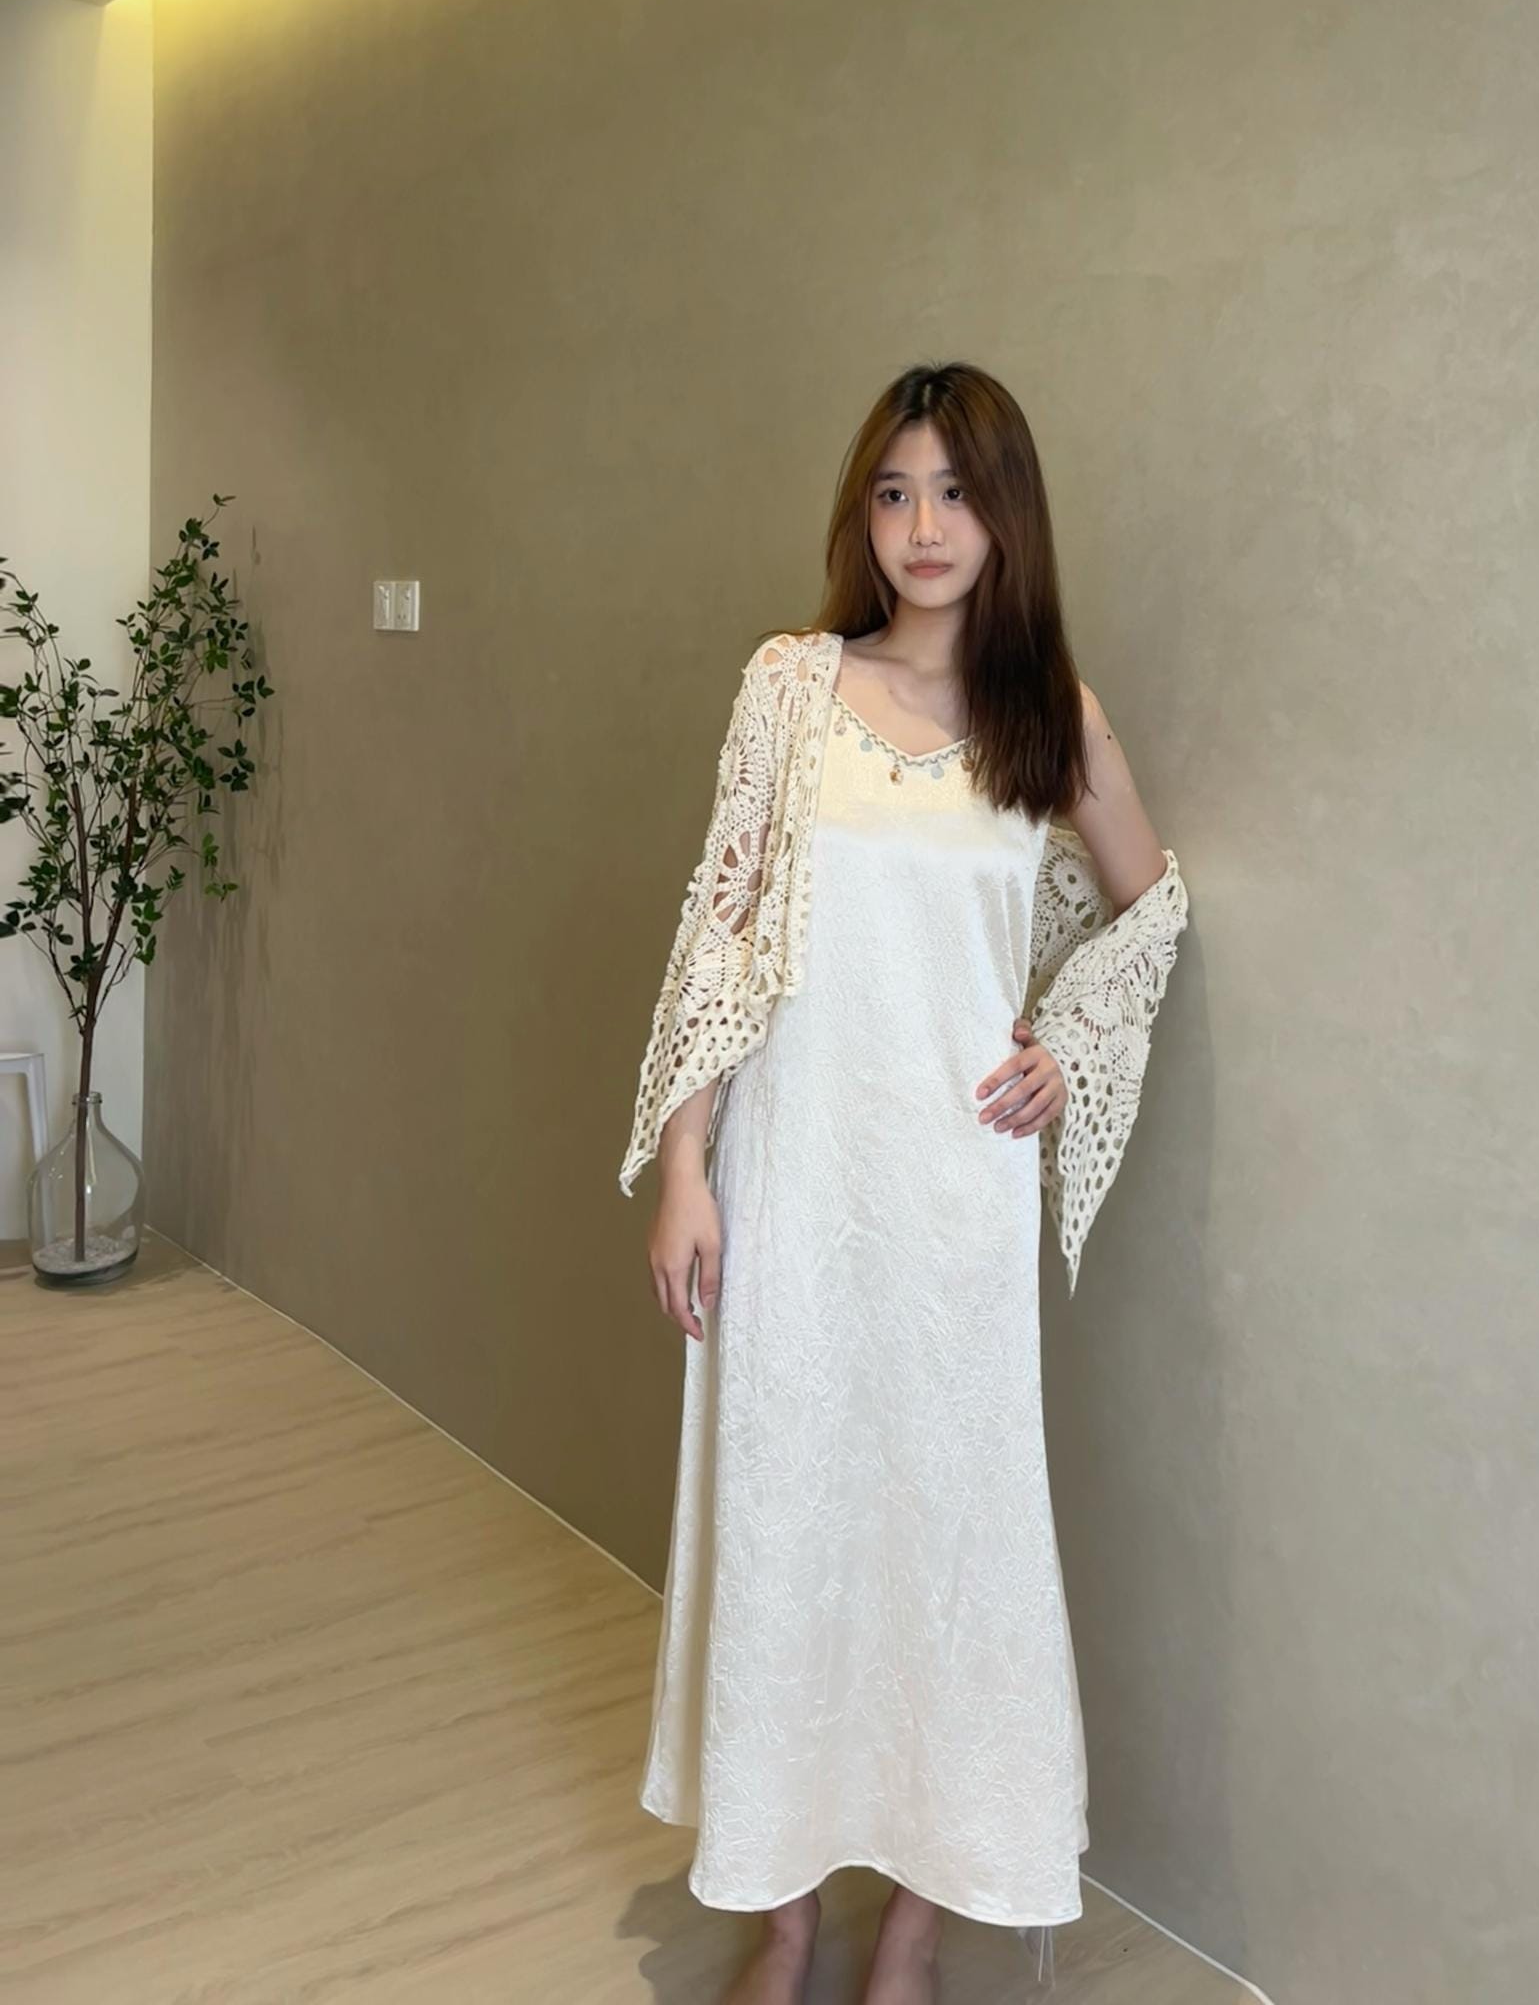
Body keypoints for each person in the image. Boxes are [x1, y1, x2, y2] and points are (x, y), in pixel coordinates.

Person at [620, 360, 1189, 2005]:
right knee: (784, 1525)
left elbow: (1151, 909)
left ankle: (920, 1924)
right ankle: (785, 1912)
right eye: (893, 492)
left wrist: (1068, 1041)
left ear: (1008, 517)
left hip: (954, 1203)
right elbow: (719, 933)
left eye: (955, 493)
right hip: (793, 1181)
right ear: (860, 515)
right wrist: (684, 1164)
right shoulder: (789, 689)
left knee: (950, 1539)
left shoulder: (1050, 719)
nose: (923, 527)